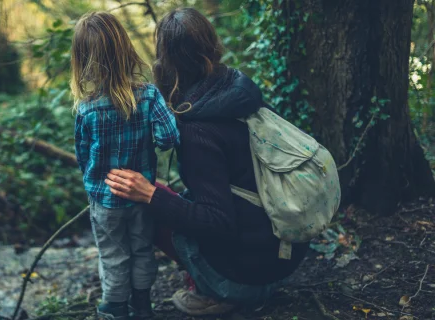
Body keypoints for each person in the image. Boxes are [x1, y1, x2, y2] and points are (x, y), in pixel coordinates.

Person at [105, 8, 309, 316]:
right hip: (282, 256)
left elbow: (218, 223)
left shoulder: (197, 130)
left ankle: (216, 290)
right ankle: (224, 280)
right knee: (172, 195)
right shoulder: (237, 90)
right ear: (211, 46)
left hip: (251, 277)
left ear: (167, 62)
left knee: (146, 200)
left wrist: (150, 194)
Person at [70, 11, 180, 320]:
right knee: (142, 248)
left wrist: (93, 182)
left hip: (105, 200)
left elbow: (82, 156)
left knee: (114, 254)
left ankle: (114, 308)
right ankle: (142, 305)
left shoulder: (85, 109)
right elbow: (169, 137)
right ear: (125, 49)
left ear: (81, 60)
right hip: (141, 196)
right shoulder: (148, 96)